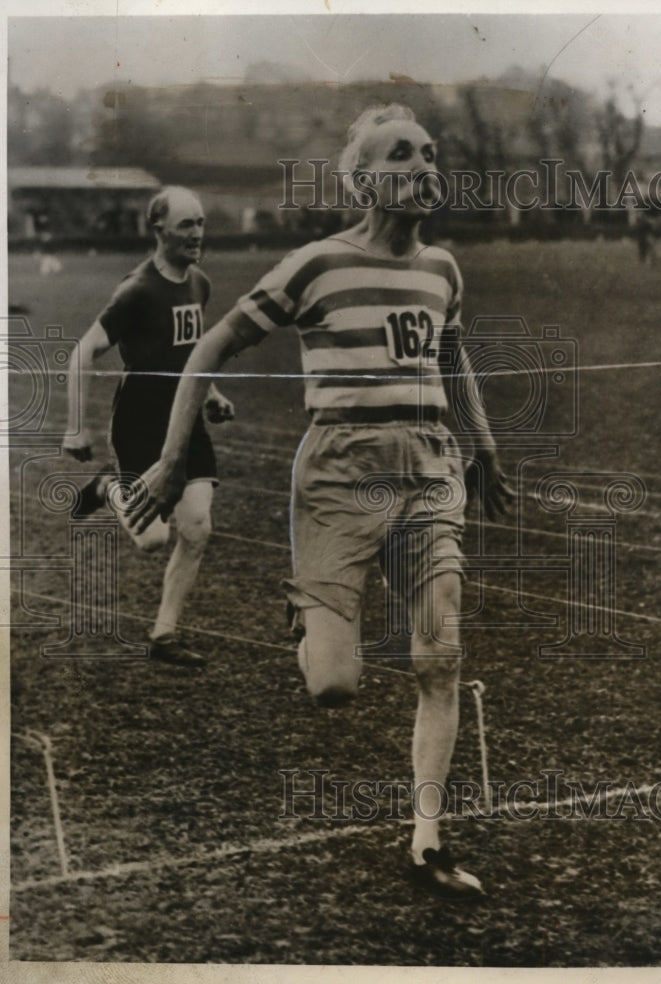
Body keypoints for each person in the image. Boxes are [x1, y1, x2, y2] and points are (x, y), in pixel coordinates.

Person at [127, 108, 513, 897]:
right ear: (362, 179)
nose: (422, 166)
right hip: (337, 474)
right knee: (333, 686)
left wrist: (483, 448)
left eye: (429, 154)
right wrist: (171, 458)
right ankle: (310, 614)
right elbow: (209, 348)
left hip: (428, 470)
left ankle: (427, 840)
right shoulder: (314, 267)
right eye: (400, 155)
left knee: (439, 657)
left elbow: (452, 356)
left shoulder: (442, 268)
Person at [62, 186, 234, 666]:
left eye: (200, 223)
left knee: (197, 528)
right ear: (158, 229)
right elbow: (82, 353)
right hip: (140, 421)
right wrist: (76, 427)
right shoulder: (136, 290)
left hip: (187, 416)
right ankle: (106, 488)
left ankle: (164, 636)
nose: (197, 233)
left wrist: (214, 396)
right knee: (152, 539)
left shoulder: (199, 283)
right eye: (186, 225)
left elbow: (193, 353)